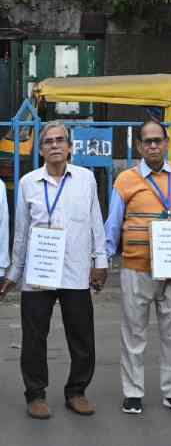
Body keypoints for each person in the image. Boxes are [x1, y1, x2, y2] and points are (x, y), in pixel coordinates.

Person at [0, 121, 107, 419]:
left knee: (82, 335)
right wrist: (13, 273)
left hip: (75, 270)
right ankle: (35, 393)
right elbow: (21, 233)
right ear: (41, 148)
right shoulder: (28, 183)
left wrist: (101, 262)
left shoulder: (86, 179)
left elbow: (96, 222)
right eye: (48, 141)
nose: (55, 145)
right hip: (39, 272)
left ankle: (77, 391)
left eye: (61, 140)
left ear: (70, 147)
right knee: (34, 337)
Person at [105, 118, 171, 415]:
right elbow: (113, 224)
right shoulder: (125, 180)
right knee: (134, 333)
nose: (152, 145)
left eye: (157, 140)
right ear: (138, 146)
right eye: (147, 141)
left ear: (166, 143)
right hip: (136, 268)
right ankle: (133, 392)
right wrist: (102, 260)